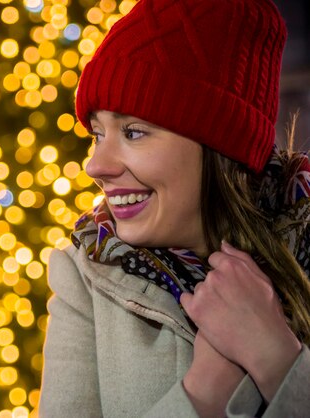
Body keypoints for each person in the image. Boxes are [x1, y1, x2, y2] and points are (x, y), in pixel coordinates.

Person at [39, 0, 310, 416]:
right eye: (97, 134)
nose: (96, 166)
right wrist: (203, 393)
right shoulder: (84, 276)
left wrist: (277, 358)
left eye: (133, 132)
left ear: (220, 145)